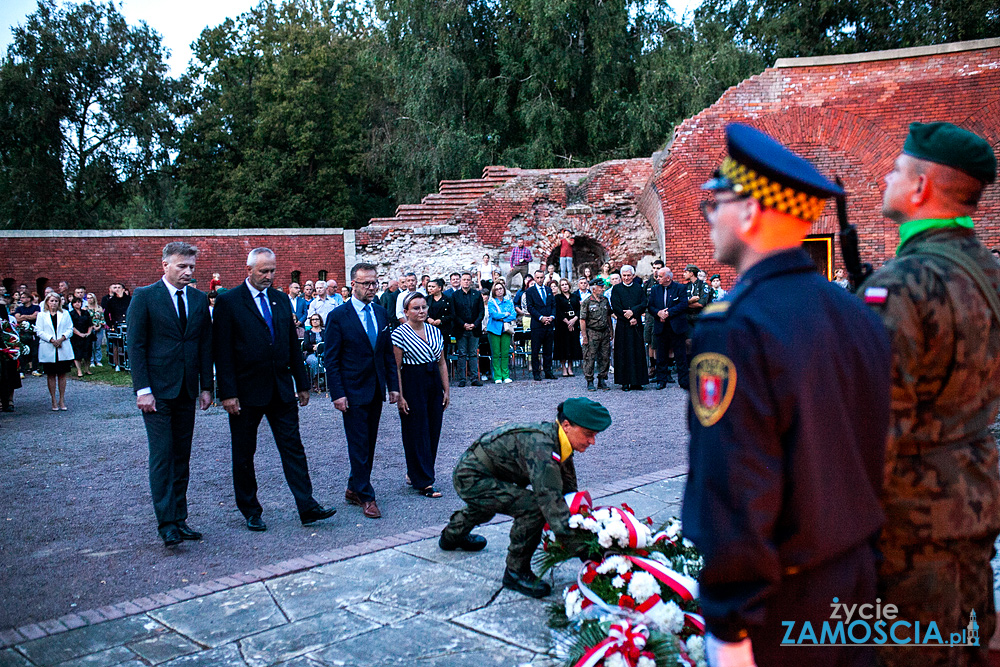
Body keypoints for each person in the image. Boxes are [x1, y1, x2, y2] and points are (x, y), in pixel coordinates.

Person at [683, 123, 891, 667]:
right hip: (856, 583)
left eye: (714, 202)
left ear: (749, 212)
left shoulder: (732, 329)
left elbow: (734, 490)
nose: (709, 216)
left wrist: (729, 630)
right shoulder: (857, 314)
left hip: (783, 605)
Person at [860, 122, 1000, 667]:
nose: (886, 177)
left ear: (920, 189)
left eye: (896, 168)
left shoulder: (900, 286)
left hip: (910, 528)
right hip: (973, 504)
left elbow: (876, 430)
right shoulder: (989, 273)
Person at [214, 248, 337, 532]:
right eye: (263, 271)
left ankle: (307, 506)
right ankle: (250, 509)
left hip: (281, 390)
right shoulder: (229, 302)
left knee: (293, 447)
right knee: (244, 452)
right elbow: (222, 351)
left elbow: (292, 345)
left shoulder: (281, 300)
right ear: (249, 270)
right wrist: (227, 392)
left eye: (272, 271)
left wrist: (302, 383)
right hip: (245, 392)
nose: (269, 276)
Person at [439, 397, 612, 597]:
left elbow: (568, 492)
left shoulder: (558, 441)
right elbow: (550, 503)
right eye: (588, 434)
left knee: (485, 507)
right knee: (531, 508)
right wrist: (588, 553)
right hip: (471, 477)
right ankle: (515, 572)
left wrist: (587, 527)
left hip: (491, 474)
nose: (592, 441)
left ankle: (450, 538)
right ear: (566, 426)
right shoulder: (543, 448)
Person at [126, 242, 215, 548]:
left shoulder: (199, 299)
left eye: (192, 267)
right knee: (163, 455)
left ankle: (180, 517)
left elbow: (204, 344)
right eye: (182, 266)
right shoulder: (145, 297)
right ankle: (166, 523)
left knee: (182, 456)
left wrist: (206, 386)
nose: (188, 272)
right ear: (164, 265)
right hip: (157, 393)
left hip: (187, 390)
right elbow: (135, 346)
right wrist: (143, 390)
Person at [324, 262, 400, 519]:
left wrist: (394, 387)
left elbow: (387, 354)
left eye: (374, 282)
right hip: (352, 390)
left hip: (376, 387)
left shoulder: (380, 313)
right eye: (366, 283)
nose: (372, 287)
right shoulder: (338, 316)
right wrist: (337, 393)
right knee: (358, 443)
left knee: (369, 441)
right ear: (352, 285)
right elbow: (331, 359)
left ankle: (353, 486)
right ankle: (366, 495)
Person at [392, 292, 450, 498]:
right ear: (406, 312)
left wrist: (446, 390)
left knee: (433, 428)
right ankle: (424, 482)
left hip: (432, 379)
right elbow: (396, 367)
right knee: (416, 430)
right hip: (411, 380)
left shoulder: (435, 332)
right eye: (416, 308)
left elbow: (442, 362)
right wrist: (400, 395)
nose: (421, 311)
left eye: (424, 307)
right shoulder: (399, 334)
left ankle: (418, 472)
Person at [648, 268, 689, 389]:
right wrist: (659, 313)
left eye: (660, 276)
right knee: (661, 355)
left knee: (680, 355)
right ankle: (661, 380)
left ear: (668, 278)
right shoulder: (655, 289)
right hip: (661, 326)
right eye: (657, 276)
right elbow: (650, 306)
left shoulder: (680, 288)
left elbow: (683, 304)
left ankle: (684, 381)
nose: (658, 278)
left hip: (676, 326)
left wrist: (668, 313)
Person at [609, 265, 647, 390]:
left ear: (633, 276)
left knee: (637, 352)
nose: (626, 278)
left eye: (628, 275)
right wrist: (629, 317)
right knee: (623, 352)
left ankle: (637, 381)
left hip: (636, 324)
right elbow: (616, 306)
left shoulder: (638, 288)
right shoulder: (617, 289)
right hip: (623, 325)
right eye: (624, 276)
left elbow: (643, 303)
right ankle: (624, 381)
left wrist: (634, 313)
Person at [36, 292, 73, 410]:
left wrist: (61, 339)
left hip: (62, 346)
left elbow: (70, 329)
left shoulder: (65, 314)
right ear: (47, 302)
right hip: (48, 347)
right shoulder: (42, 315)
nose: (54, 303)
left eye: (56, 301)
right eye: (51, 301)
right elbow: (39, 331)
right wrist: (51, 340)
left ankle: (62, 400)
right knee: (51, 375)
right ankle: (53, 400)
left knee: (62, 374)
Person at [451, 272, 484, 387]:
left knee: (473, 353)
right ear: (461, 281)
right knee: (462, 354)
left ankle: (474, 378)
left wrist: (474, 324)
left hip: (474, 329)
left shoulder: (476, 294)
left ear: (471, 281)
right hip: (461, 329)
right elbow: (453, 313)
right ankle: (462, 379)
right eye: (464, 279)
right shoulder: (455, 296)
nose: (466, 281)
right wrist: (463, 324)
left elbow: (481, 312)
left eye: (468, 279)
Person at [579, 278, 612, 391]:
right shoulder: (587, 302)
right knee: (590, 357)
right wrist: (584, 336)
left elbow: (608, 316)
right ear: (593, 288)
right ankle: (589, 380)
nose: (602, 289)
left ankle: (602, 379)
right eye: (600, 287)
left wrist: (611, 330)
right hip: (592, 332)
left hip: (604, 332)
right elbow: (582, 320)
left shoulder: (605, 300)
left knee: (605, 357)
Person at [525, 269, 557, 381]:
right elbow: (530, 307)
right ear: (534, 278)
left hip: (549, 324)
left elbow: (553, 305)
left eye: (541, 277)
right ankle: (536, 373)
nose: (539, 280)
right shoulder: (530, 291)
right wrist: (541, 318)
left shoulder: (548, 290)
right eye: (537, 278)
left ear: (544, 278)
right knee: (536, 350)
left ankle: (548, 371)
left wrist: (551, 317)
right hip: (537, 325)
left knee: (548, 350)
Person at [486, 281, 516, 384]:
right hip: (494, 329)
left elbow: (513, 315)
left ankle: (505, 375)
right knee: (495, 353)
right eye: (497, 289)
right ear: (494, 291)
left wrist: (502, 317)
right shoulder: (491, 302)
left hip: (505, 329)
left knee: (505, 353)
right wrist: (505, 315)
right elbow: (493, 315)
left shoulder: (509, 302)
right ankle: (497, 376)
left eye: (501, 288)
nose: (499, 291)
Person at [554, 278, 582, 376]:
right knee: (563, 346)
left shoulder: (575, 296)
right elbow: (558, 311)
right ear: (560, 287)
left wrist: (573, 320)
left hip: (574, 322)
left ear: (569, 286)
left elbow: (579, 309)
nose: (564, 286)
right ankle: (564, 368)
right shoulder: (557, 297)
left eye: (566, 284)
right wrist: (567, 322)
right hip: (562, 325)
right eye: (562, 285)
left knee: (572, 345)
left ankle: (570, 367)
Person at [14, 292, 41, 375]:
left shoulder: (36, 307)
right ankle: (22, 370)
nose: (21, 299)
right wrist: (28, 316)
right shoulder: (19, 309)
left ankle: (34, 369)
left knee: (34, 351)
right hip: (22, 333)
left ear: (29, 299)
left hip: (33, 332)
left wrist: (23, 316)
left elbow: (35, 316)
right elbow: (17, 319)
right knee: (22, 351)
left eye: (23, 297)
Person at [68, 297, 94, 378]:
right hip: (76, 337)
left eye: (79, 302)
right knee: (78, 354)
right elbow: (71, 326)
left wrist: (88, 333)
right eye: (75, 302)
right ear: (72, 304)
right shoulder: (71, 314)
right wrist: (79, 334)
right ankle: (79, 370)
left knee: (88, 353)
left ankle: (87, 369)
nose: (77, 304)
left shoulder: (85, 312)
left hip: (87, 335)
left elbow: (90, 323)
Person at [302, 314, 324, 389]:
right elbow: (306, 345)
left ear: (320, 320)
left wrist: (320, 347)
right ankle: (316, 381)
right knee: (315, 361)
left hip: (324, 353)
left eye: (317, 319)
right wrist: (313, 348)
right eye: (313, 319)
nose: (315, 321)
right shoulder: (307, 333)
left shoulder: (325, 331)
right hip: (311, 353)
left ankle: (326, 381)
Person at [87, 292, 105, 367]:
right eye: (88, 298)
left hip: (99, 328)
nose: (89, 299)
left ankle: (98, 360)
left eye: (91, 298)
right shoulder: (85, 309)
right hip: (90, 328)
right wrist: (92, 326)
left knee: (98, 345)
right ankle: (91, 361)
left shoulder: (99, 308)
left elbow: (102, 318)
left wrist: (99, 326)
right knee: (91, 345)